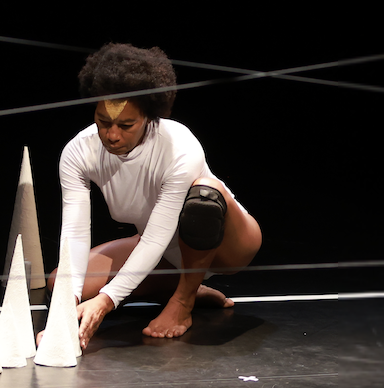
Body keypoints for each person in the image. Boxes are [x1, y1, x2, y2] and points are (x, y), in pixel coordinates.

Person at [40, 43, 262, 350]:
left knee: (205, 196)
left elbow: (157, 237)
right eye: (103, 122)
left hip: (227, 246)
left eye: (126, 125)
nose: (112, 135)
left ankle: (183, 301)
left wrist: (106, 302)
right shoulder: (78, 152)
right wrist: (66, 308)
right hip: (166, 253)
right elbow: (75, 234)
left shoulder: (179, 146)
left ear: (148, 117)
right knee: (59, 283)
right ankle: (179, 287)